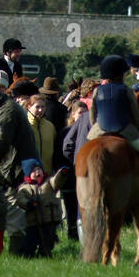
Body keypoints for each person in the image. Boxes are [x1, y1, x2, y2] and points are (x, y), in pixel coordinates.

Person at [0, 68, 38, 254]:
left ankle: (16, 257)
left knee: (14, 217)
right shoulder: (2, 109)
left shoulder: (6, 112)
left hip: (14, 171)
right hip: (10, 168)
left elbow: (2, 143)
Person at [86, 55, 139, 203]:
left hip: (98, 132)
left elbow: (93, 117)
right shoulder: (126, 90)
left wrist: (95, 131)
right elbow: (135, 115)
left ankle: (82, 186)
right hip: (124, 131)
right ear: (121, 74)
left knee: (82, 155)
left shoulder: (97, 91)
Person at [15, 159, 67, 258]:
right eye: (34, 171)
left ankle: (44, 255)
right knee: (30, 241)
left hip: (49, 220)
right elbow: (20, 199)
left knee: (48, 241)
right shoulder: (25, 188)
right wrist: (29, 203)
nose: (37, 172)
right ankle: (27, 255)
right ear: (28, 174)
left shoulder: (49, 183)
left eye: (39, 169)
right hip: (33, 222)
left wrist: (61, 174)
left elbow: (56, 181)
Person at [60, 99, 91, 240]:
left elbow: (68, 146)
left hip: (79, 171)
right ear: (72, 114)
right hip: (72, 173)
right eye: (80, 112)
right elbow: (65, 147)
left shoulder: (83, 126)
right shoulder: (65, 131)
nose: (82, 115)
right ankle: (75, 235)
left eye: (85, 112)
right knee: (74, 206)